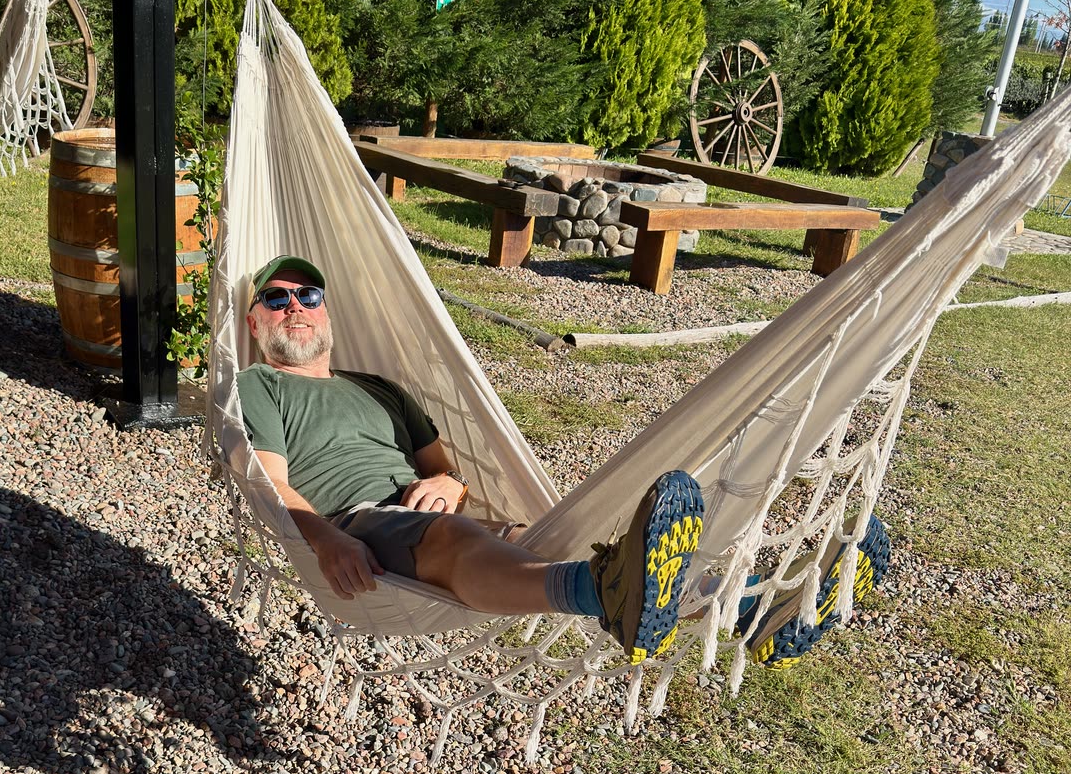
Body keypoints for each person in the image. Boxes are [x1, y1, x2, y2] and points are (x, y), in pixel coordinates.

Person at [237, 256, 888, 664]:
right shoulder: (257, 387)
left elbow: (453, 478)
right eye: (276, 298)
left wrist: (444, 480)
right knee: (464, 538)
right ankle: (602, 594)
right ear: (253, 323)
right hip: (355, 526)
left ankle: (745, 611)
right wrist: (322, 541)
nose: (295, 307)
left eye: (309, 297)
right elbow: (271, 481)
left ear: (326, 314)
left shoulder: (381, 389)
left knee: (529, 537)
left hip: (419, 515)